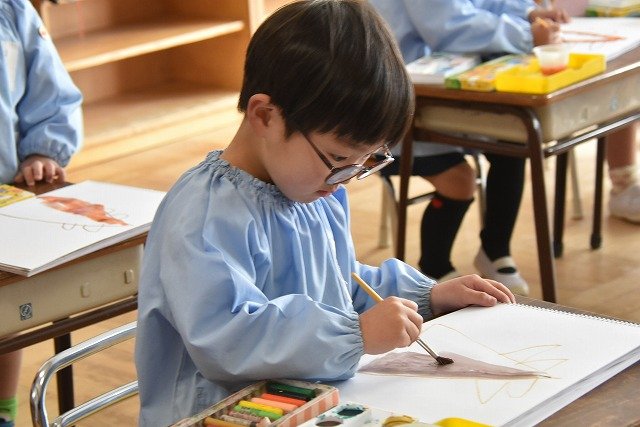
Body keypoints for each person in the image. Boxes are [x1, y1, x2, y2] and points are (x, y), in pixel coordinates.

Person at [134, 1, 515, 425]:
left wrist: (427, 297)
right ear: (265, 116)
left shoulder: (316, 189)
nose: (345, 179)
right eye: (338, 158)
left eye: (365, 162)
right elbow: (230, 343)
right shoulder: (205, 216)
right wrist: (356, 334)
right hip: (215, 415)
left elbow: (341, 283)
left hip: (307, 405)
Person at [369, 0, 572, 296]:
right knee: (460, 180)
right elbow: (448, 26)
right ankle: (434, 266)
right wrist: (526, 35)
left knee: (512, 140)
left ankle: (495, 249)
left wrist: (529, 12)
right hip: (404, 98)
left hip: (453, 84)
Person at [0, 0, 82, 426]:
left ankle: (3, 412)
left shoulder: (13, 13)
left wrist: (41, 151)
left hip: (6, 196)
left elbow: (50, 94)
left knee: (5, 312)